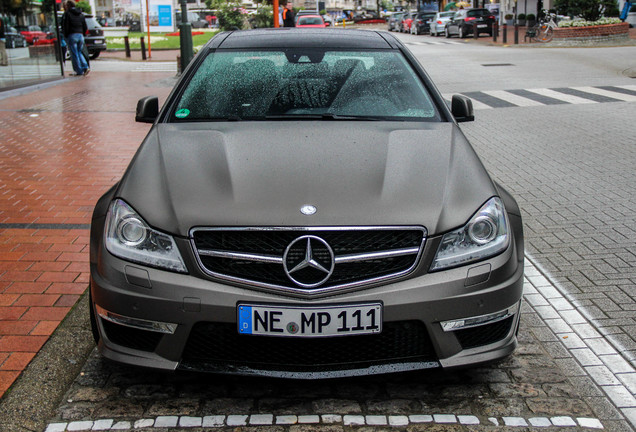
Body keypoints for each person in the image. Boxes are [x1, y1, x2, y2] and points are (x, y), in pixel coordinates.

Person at [62, 0, 89, 76]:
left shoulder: (67, 14)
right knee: (79, 52)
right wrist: (82, 33)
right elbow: (85, 26)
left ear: (68, 6)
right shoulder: (80, 14)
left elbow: (66, 25)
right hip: (80, 35)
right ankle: (85, 66)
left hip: (72, 35)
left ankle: (79, 71)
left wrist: (66, 34)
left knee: (74, 53)